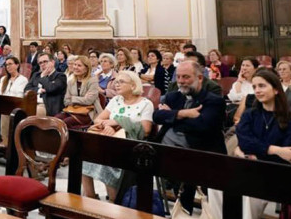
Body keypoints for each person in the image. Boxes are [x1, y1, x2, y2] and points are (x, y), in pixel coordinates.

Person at [227, 69, 291, 219]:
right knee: (216, 187)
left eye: (262, 86)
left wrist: (253, 155)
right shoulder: (250, 114)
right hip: (247, 167)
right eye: (254, 87)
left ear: (276, 89)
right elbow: (244, 141)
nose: (257, 90)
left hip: (274, 173)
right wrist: (274, 149)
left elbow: (287, 157)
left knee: (249, 193)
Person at [154, 61, 226, 215]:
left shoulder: (213, 101)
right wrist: (183, 113)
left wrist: (172, 116)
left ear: (199, 78)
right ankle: (183, 210)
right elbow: (157, 116)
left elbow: (203, 126)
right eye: (178, 76)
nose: (180, 81)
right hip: (173, 153)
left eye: (186, 77)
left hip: (204, 153)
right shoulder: (174, 96)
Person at [81, 70, 154, 201]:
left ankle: (115, 201)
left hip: (131, 143)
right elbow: (98, 119)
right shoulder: (116, 100)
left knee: (107, 161)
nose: (116, 85)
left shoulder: (145, 103)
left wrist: (117, 121)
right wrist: (107, 126)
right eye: (116, 82)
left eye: (121, 82)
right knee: (85, 154)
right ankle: (90, 197)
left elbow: (146, 130)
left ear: (133, 85)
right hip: (110, 139)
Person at [57, 55, 101, 128]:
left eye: (79, 65)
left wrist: (73, 98)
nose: (75, 67)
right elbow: (66, 101)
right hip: (72, 110)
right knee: (56, 119)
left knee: (66, 122)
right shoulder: (71, 82)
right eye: (75, 65)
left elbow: (89, 101)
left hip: (88, 113)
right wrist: (82, 99)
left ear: (86, 69)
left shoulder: (93, 80)